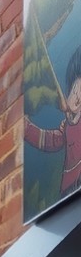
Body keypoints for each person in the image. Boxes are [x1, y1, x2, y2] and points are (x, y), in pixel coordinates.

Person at [24, 42, 81, 198]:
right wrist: (27, 129)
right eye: (75, 92)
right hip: (68, 188)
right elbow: (51, 140)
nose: (76, 99)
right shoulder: (67, 125)